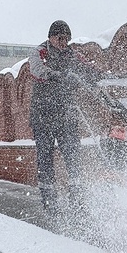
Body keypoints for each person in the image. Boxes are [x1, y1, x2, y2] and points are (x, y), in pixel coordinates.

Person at [28, 20, 103, 217]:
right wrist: (60, 76)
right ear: (51, 37)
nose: (63, 42)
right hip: (43, 114)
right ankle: (50, 201)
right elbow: (37, 71)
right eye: (60, 38)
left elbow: (87, 68)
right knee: (45, 159)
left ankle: (77, 200)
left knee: (73, 157)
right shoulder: (39, 52)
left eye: (66, 39)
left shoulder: (71, 54)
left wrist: (101, 76)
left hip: (66, 116)